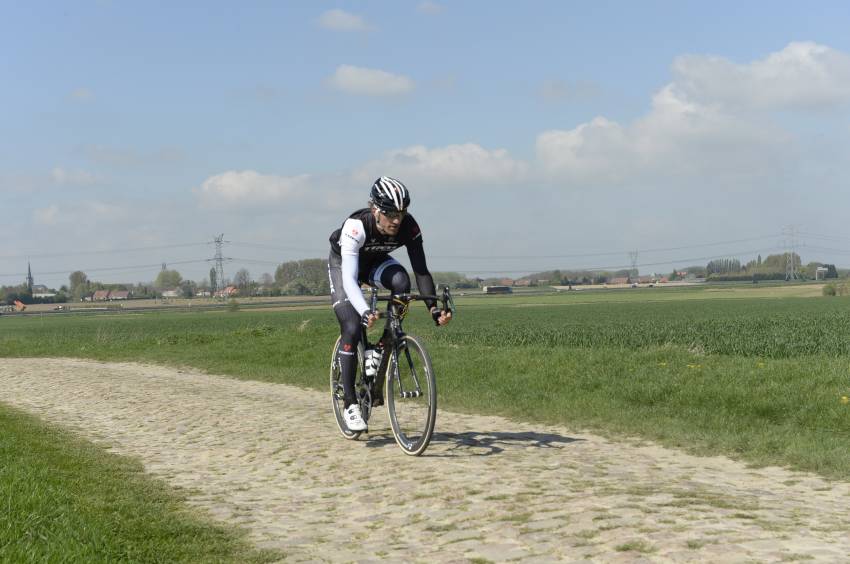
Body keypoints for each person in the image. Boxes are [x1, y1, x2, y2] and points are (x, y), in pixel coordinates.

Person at [328, 176, 452, 431]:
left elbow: (421, 270)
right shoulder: (356, 226)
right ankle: (350, 403)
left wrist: (434, 308)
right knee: (351, 326)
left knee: (401, 282)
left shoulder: (409, 226)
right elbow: (350, 280)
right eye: (390, 214)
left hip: (374, 262)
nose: (396, 220)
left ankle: (382, 344)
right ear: (375, 209)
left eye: (402, 213)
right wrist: (364, 311)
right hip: (345, 266)